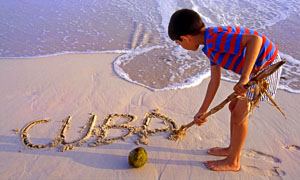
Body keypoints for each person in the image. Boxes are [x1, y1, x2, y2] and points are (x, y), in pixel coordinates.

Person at [168, 9, 282, 171]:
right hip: (256, 70)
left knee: (238, 115)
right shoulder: (209, 45)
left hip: (265, 70)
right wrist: (202, 110)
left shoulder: (215, 39)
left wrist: (244, 78)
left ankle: (233, 161)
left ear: (185, 38)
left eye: (178, 43)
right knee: (233, 107)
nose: (181, 46)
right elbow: (215, 81)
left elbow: (255, 41)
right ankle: (232, 149)